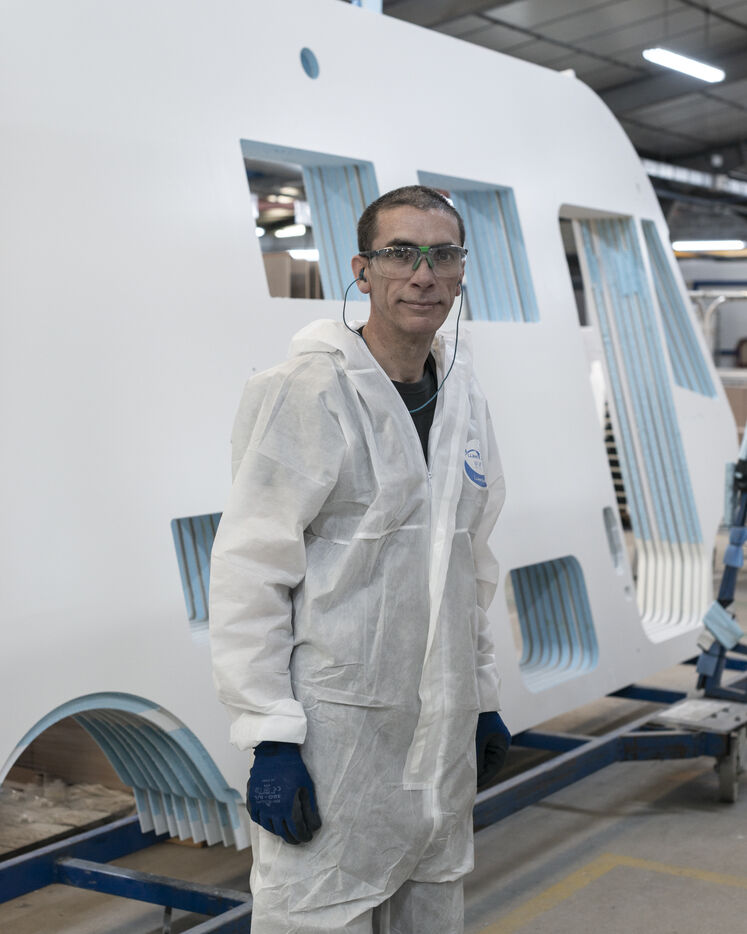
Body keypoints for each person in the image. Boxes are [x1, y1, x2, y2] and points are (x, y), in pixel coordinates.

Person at [209, 185, 509, 934]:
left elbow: (469, 563)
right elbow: (250, 571)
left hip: (437, 736)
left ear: (462, 270)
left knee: (430, 906)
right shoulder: (307, 391)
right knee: (319, 913)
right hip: (334, 737)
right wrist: (269, 735)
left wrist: (480, 694)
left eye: (443, 255)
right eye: (400, 253)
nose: (423, 275)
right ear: (362, 270)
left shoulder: (463, 398)